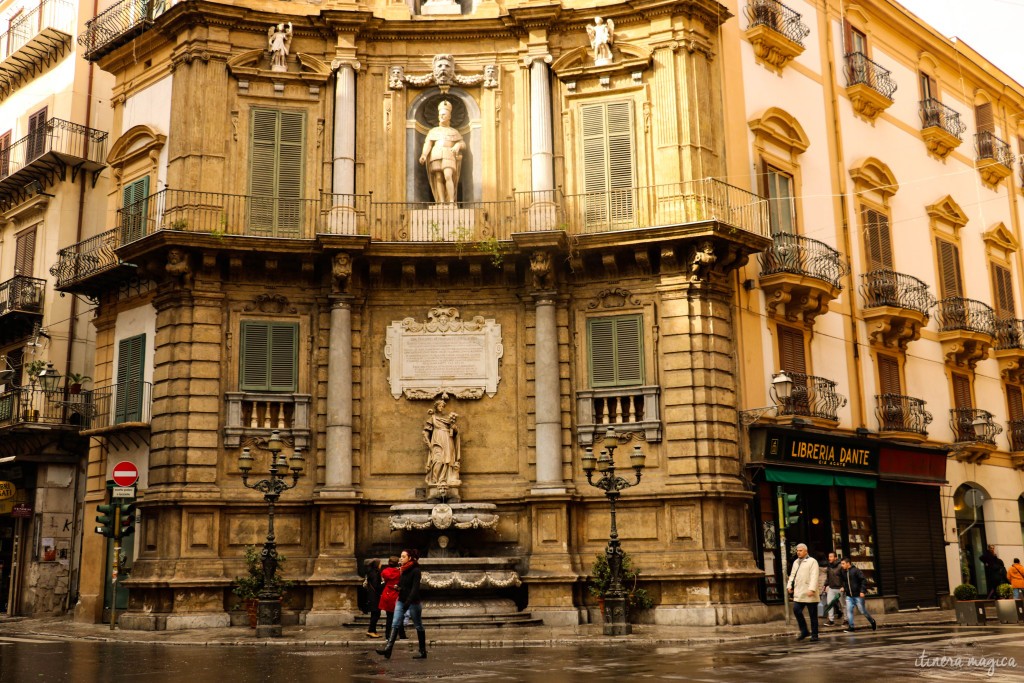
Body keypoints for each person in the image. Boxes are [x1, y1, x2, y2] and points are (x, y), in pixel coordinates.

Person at [376, 549, 426, 660]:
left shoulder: (416, 571)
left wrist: (408, 602)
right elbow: (402, 583)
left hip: (413, 602)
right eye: (400, 556)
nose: (401, 558)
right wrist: (397, 586)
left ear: (410, 558)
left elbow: (414, 589)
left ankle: (422, 651)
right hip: (401, 600)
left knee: (418, 625)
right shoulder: (402, 569)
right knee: (395, 623)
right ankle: (388, 650)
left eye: (403, 556)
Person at [419, 100, 465, 204]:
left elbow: (463, 144)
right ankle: (441, 202)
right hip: (436, 154)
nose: (441, 117)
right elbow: (428, 144)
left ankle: (452, 201)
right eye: (440, 115)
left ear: (449, 116)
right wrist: (424, 154)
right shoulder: (433, 131)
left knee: (448, 175)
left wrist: (458, 145)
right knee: (438, 177)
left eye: (444, 114)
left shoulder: (454, 131)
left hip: (449, 154)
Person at [423, 398, 460, 489]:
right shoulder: (432, 418)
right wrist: (428, 443)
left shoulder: (447, 419)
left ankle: (446, 479)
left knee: (448, 460)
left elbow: (455, 431)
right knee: (437, 460)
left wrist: (454, 428)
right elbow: (425, 432)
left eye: (442, 406)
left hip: (447, 439)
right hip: (437, 440)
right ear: (436, 407)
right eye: (439, 406)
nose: (441, 408)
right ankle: (434, 480)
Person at [786, 543, 820, 642]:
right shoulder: (796, 562)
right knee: (796, 610)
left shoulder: (812, 561)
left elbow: (814, 576)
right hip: (799, 592)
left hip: (810, 592)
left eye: (800, 550)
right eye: (797, 550)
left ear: (806, 551)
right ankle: (804, 631)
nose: (798, 552)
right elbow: (792, 575)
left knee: (813, 615)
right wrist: (789, 586)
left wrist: (812, 589)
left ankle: (815, 634)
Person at [839, 557, 877, 632]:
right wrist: (843, 587)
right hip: (849, 596)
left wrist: (862, 591)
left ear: (848, 563)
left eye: (843, 564)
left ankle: (872, 621)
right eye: (841, 564)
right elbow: (844, 582)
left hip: (858, 596)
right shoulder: (843, 572)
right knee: (849, 610)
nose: (842, 565)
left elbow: (863, 580)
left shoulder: (856, 571)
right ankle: (851, 627)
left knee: (862, 611)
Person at [378, 556, 406, 643]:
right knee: (399, 616)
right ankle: (402, 635)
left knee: (389, 617)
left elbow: (384, 580)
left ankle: (387, 635)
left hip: (387, 594)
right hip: (396, 594)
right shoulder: (400, 572)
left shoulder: (384, 571)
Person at [823, 551, 845, 626]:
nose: (830, 558)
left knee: (843, 605)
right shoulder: (829, 566)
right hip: (832, 588)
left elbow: (844, 577)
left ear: (835, 558)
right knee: (830, 604)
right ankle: (831, 620)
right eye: (829, 557)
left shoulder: (840, 566)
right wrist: (825, 585)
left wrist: (843, 586)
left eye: (831, 557)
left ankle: (846, 619)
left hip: (840, 589)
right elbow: (828, 577)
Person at [364, 559, 383, 638]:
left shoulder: (371, 572)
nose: (381, 565)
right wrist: (384, 584)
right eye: (380, 563)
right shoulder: (375, 573)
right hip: (375, 596)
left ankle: (373, 631)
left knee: (374, 614)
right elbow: (376, 586)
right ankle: (371, 631)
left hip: (371, 596)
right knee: (376, 614)